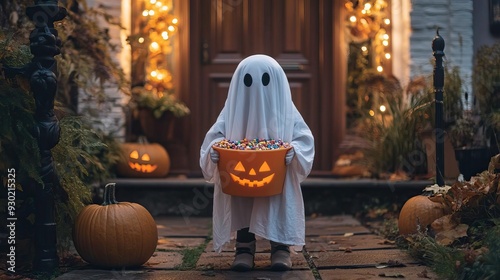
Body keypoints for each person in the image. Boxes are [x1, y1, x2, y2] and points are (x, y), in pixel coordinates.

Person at [199, 54, 315, 271]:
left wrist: (295, 152)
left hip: (276, 175)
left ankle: (280, 246)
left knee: (277, 203)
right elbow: (215, 135)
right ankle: (244, 247)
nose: (258, 91)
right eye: (248, 82)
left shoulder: (287, 112)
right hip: (239, 175)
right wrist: (214, 152)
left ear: (277, 83)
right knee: (243, 203)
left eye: (265, 82)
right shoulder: (231, 111)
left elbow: (304, 138)